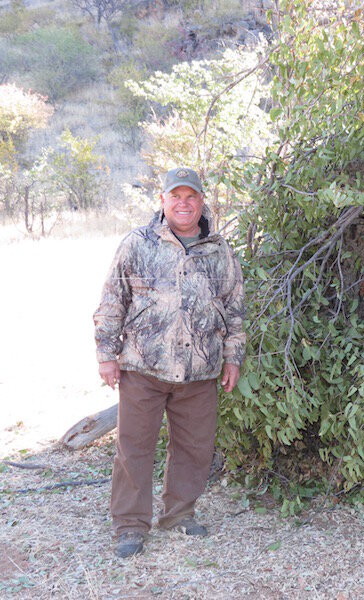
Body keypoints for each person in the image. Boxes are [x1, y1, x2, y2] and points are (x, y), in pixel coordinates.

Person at [93, 167, 245, 558]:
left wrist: (233, 359)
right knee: (133, 449)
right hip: (143, 368)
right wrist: (106, 355)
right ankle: (130, 525)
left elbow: (234, 309)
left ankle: (179, 513)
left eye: (190, 196)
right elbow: (113, 301)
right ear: (162, 200)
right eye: (175, 196)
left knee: (195, 448)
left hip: (200, 371)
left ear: (201, 201)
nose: (183, 203)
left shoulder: (219, 250)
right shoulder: (137, 243)